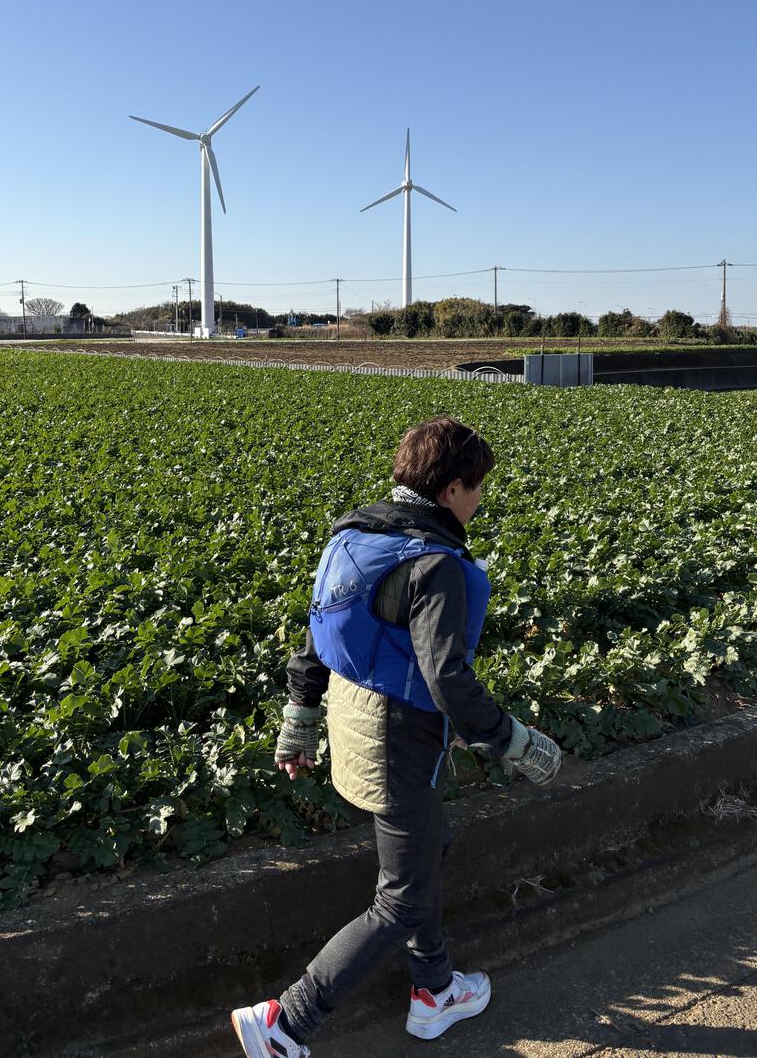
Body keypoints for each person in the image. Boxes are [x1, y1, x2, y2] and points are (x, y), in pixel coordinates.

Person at [231, 416, 562, 1058]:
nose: (479, 501)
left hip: (353, 719)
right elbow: (448, 680)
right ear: (451, 490)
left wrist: (298, 722)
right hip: (399, 738)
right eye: (476, 488)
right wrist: (514, 742)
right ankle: (286, 1021)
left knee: (428, 851)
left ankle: (434, 990)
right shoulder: (434, 561)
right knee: (403, 899)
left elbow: (318, 633)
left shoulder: (358, 533)